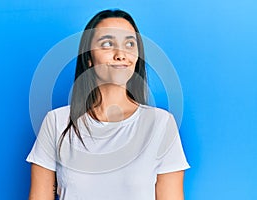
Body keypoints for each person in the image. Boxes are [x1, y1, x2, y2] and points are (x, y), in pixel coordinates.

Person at [26, 9, 190, 200]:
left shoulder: (161, 124)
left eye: (129, 44)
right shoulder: (56, 122)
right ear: (88, 59)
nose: (121, 54)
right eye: (107, 44)